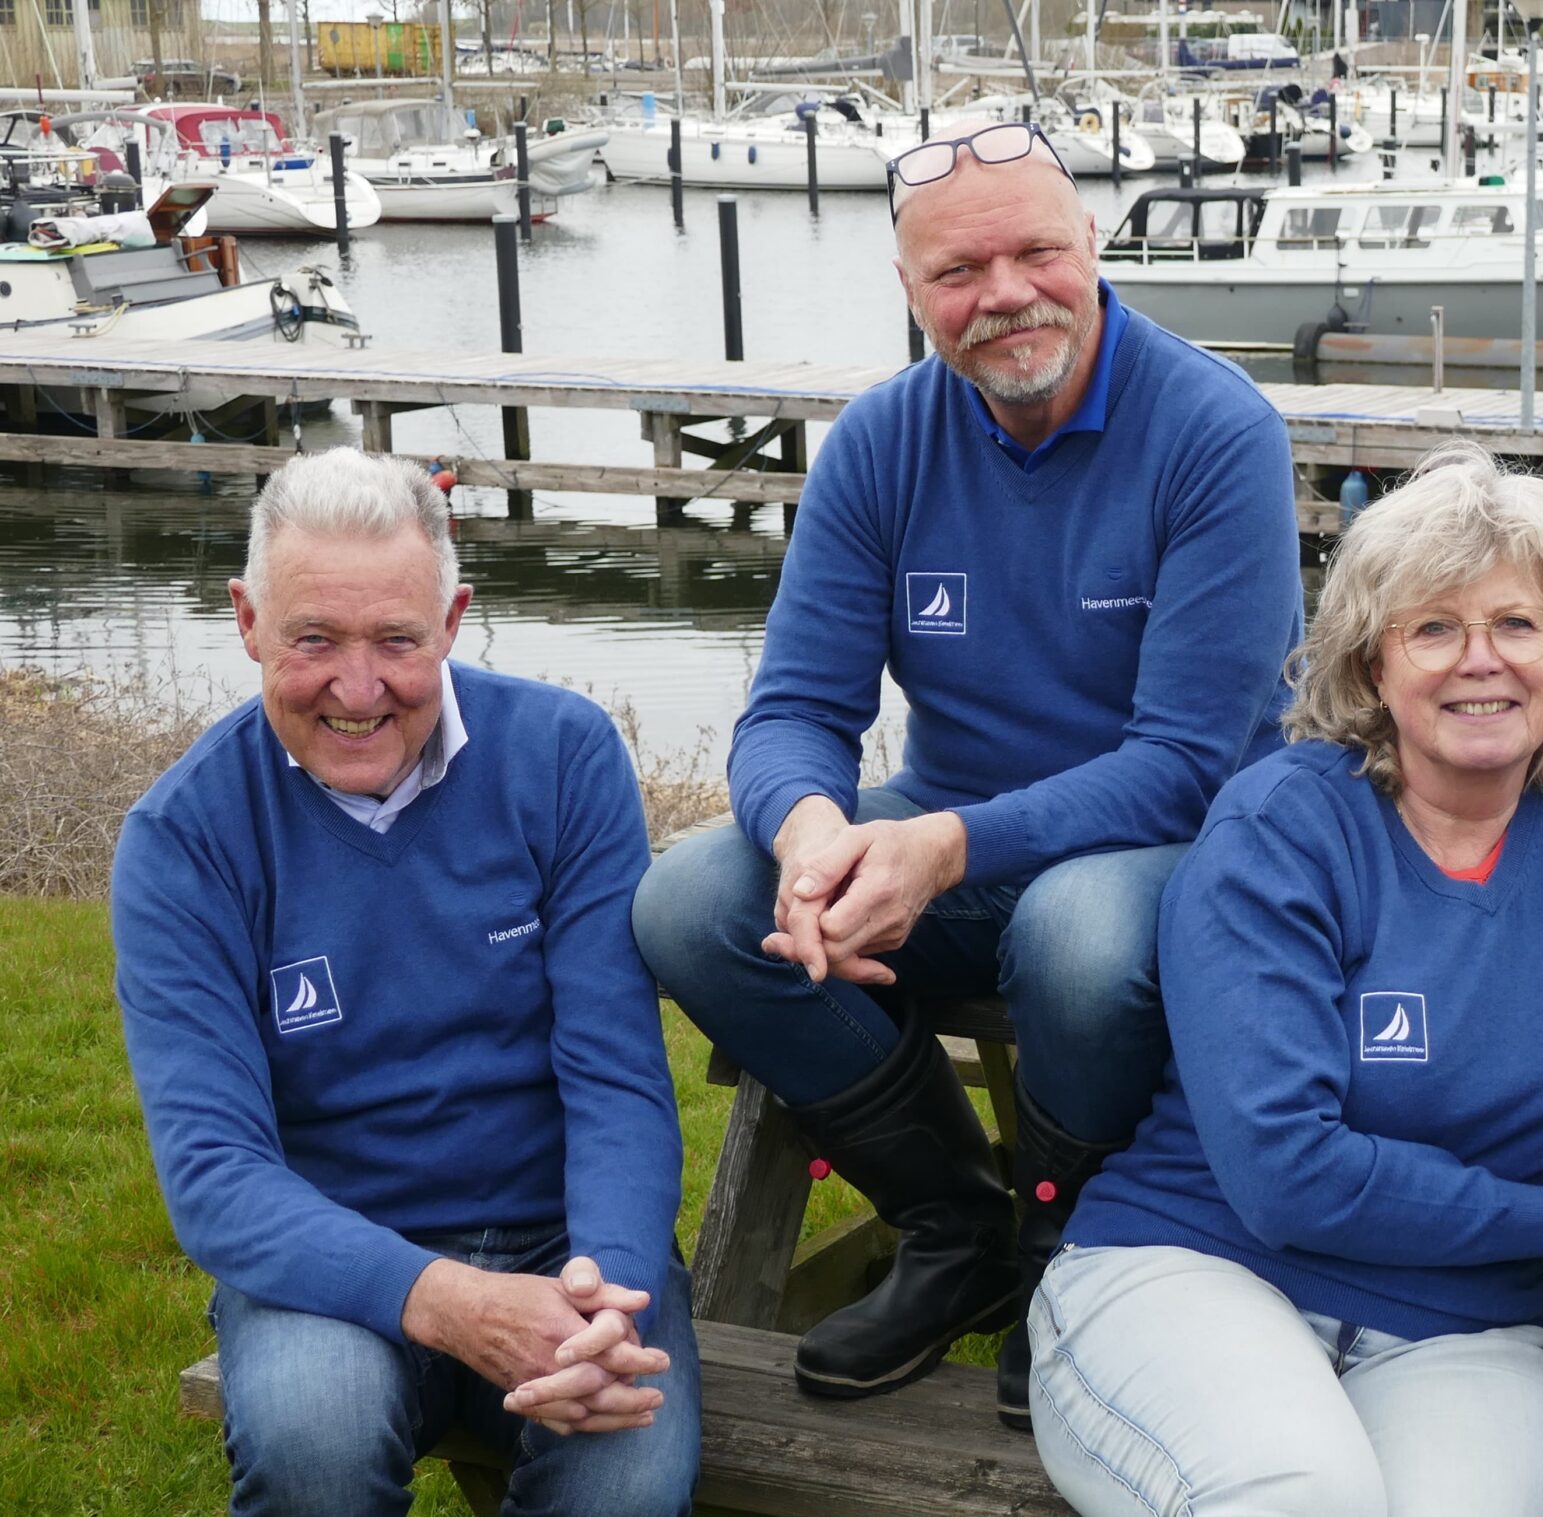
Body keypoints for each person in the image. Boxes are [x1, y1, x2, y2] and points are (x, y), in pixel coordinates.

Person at [631, 120, 1302, 1429]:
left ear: (1091, 243)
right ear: (910, 288)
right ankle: (956, 1225)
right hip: (959, 838)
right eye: (958, 271)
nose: (1005, 294)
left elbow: (1181, 767)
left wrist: (938, 849)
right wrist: (813, 836)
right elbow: (794, 709)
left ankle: (1072, 1257)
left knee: (1074, 931)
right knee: (693, 898)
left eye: (1035, 252)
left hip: (1177, 852)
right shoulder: (880, 442)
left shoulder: (1216, 431)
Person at [1028, 445, 1543, 1517]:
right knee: (1298, 1498)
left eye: (1517, 623)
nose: (1481, 659)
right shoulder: (1282, 829)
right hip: (1199, 1265)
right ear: (1371, 665)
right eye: (1433, 628)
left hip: (1468, 1324)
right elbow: (1285, 1171)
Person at [111, 449, 698, 1517]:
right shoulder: (183, 837)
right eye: (314, 639)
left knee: (627, 1476)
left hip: (560, 1242)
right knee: (314, 1441)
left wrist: (609, 1290)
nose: (357, 687)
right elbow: (214, 1170)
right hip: (327, 1258)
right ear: (248, 621)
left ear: (453, 620)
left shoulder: (563, 757)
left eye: (395, 639)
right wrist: (445, 1299)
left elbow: (617, 1078)